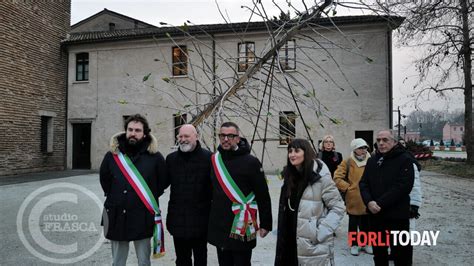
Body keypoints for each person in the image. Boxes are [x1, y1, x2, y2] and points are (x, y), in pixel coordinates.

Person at [100, 114, 167, 266]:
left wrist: (145, 197)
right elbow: (105, 180)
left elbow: (162, 182)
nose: (133, 133)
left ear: (145, 133)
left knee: (144, 261)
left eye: (137, 130)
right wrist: (117, 197)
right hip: (116, 214)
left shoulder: (155, 157)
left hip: (143, 215)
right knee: (117, 261)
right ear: (125, 131)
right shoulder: (112, 155)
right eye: (130, 129)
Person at [208, 122, 272, 266]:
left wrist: (266, 224)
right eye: (222, 135)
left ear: (238, 138)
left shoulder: (252, 162)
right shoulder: (214, 161)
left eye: (230, 136)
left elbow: (263, 195)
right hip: (220, 224)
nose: (225, 139)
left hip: (243, 223)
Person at [275, 138, 345, 266]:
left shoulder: (320, 178)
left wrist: (320, 232)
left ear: (306, 153)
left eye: (297, 151)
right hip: (289, 242)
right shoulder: (289, 177)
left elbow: (338, 208)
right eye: (290, 151)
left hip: (311, 244)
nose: (292, 154)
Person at [359, 130, 415, 266]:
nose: (381, 143)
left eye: (385, 140)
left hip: (397, 217)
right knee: (379, 254)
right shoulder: (372, 160)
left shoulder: (405, 159)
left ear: (394, 142)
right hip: (376, 217)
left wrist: (379, 203)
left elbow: (403, 186)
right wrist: (369, 202)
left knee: (401, 255)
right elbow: (363, 183)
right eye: (378, 140)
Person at [164, 124, 212, 266]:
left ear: (196, 137)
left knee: (200, 259)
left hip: (201, 221)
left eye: (187, 136)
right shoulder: (171, 159)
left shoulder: (209, 158)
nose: (183, 139)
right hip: (178, 220)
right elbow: (161, 183)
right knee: (182, 260)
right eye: (180, 136)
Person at [333, 138, 372, 256]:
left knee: (367, 222)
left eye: (365, 147)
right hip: (354, 198)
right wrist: (348, 188)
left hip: (368, 197)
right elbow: (337, 177)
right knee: (353, 223)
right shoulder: (348, 162)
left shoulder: (371, 160)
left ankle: (366, 244)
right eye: (360, 148)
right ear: (355, 149)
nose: (363, 150)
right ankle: (354, 245)